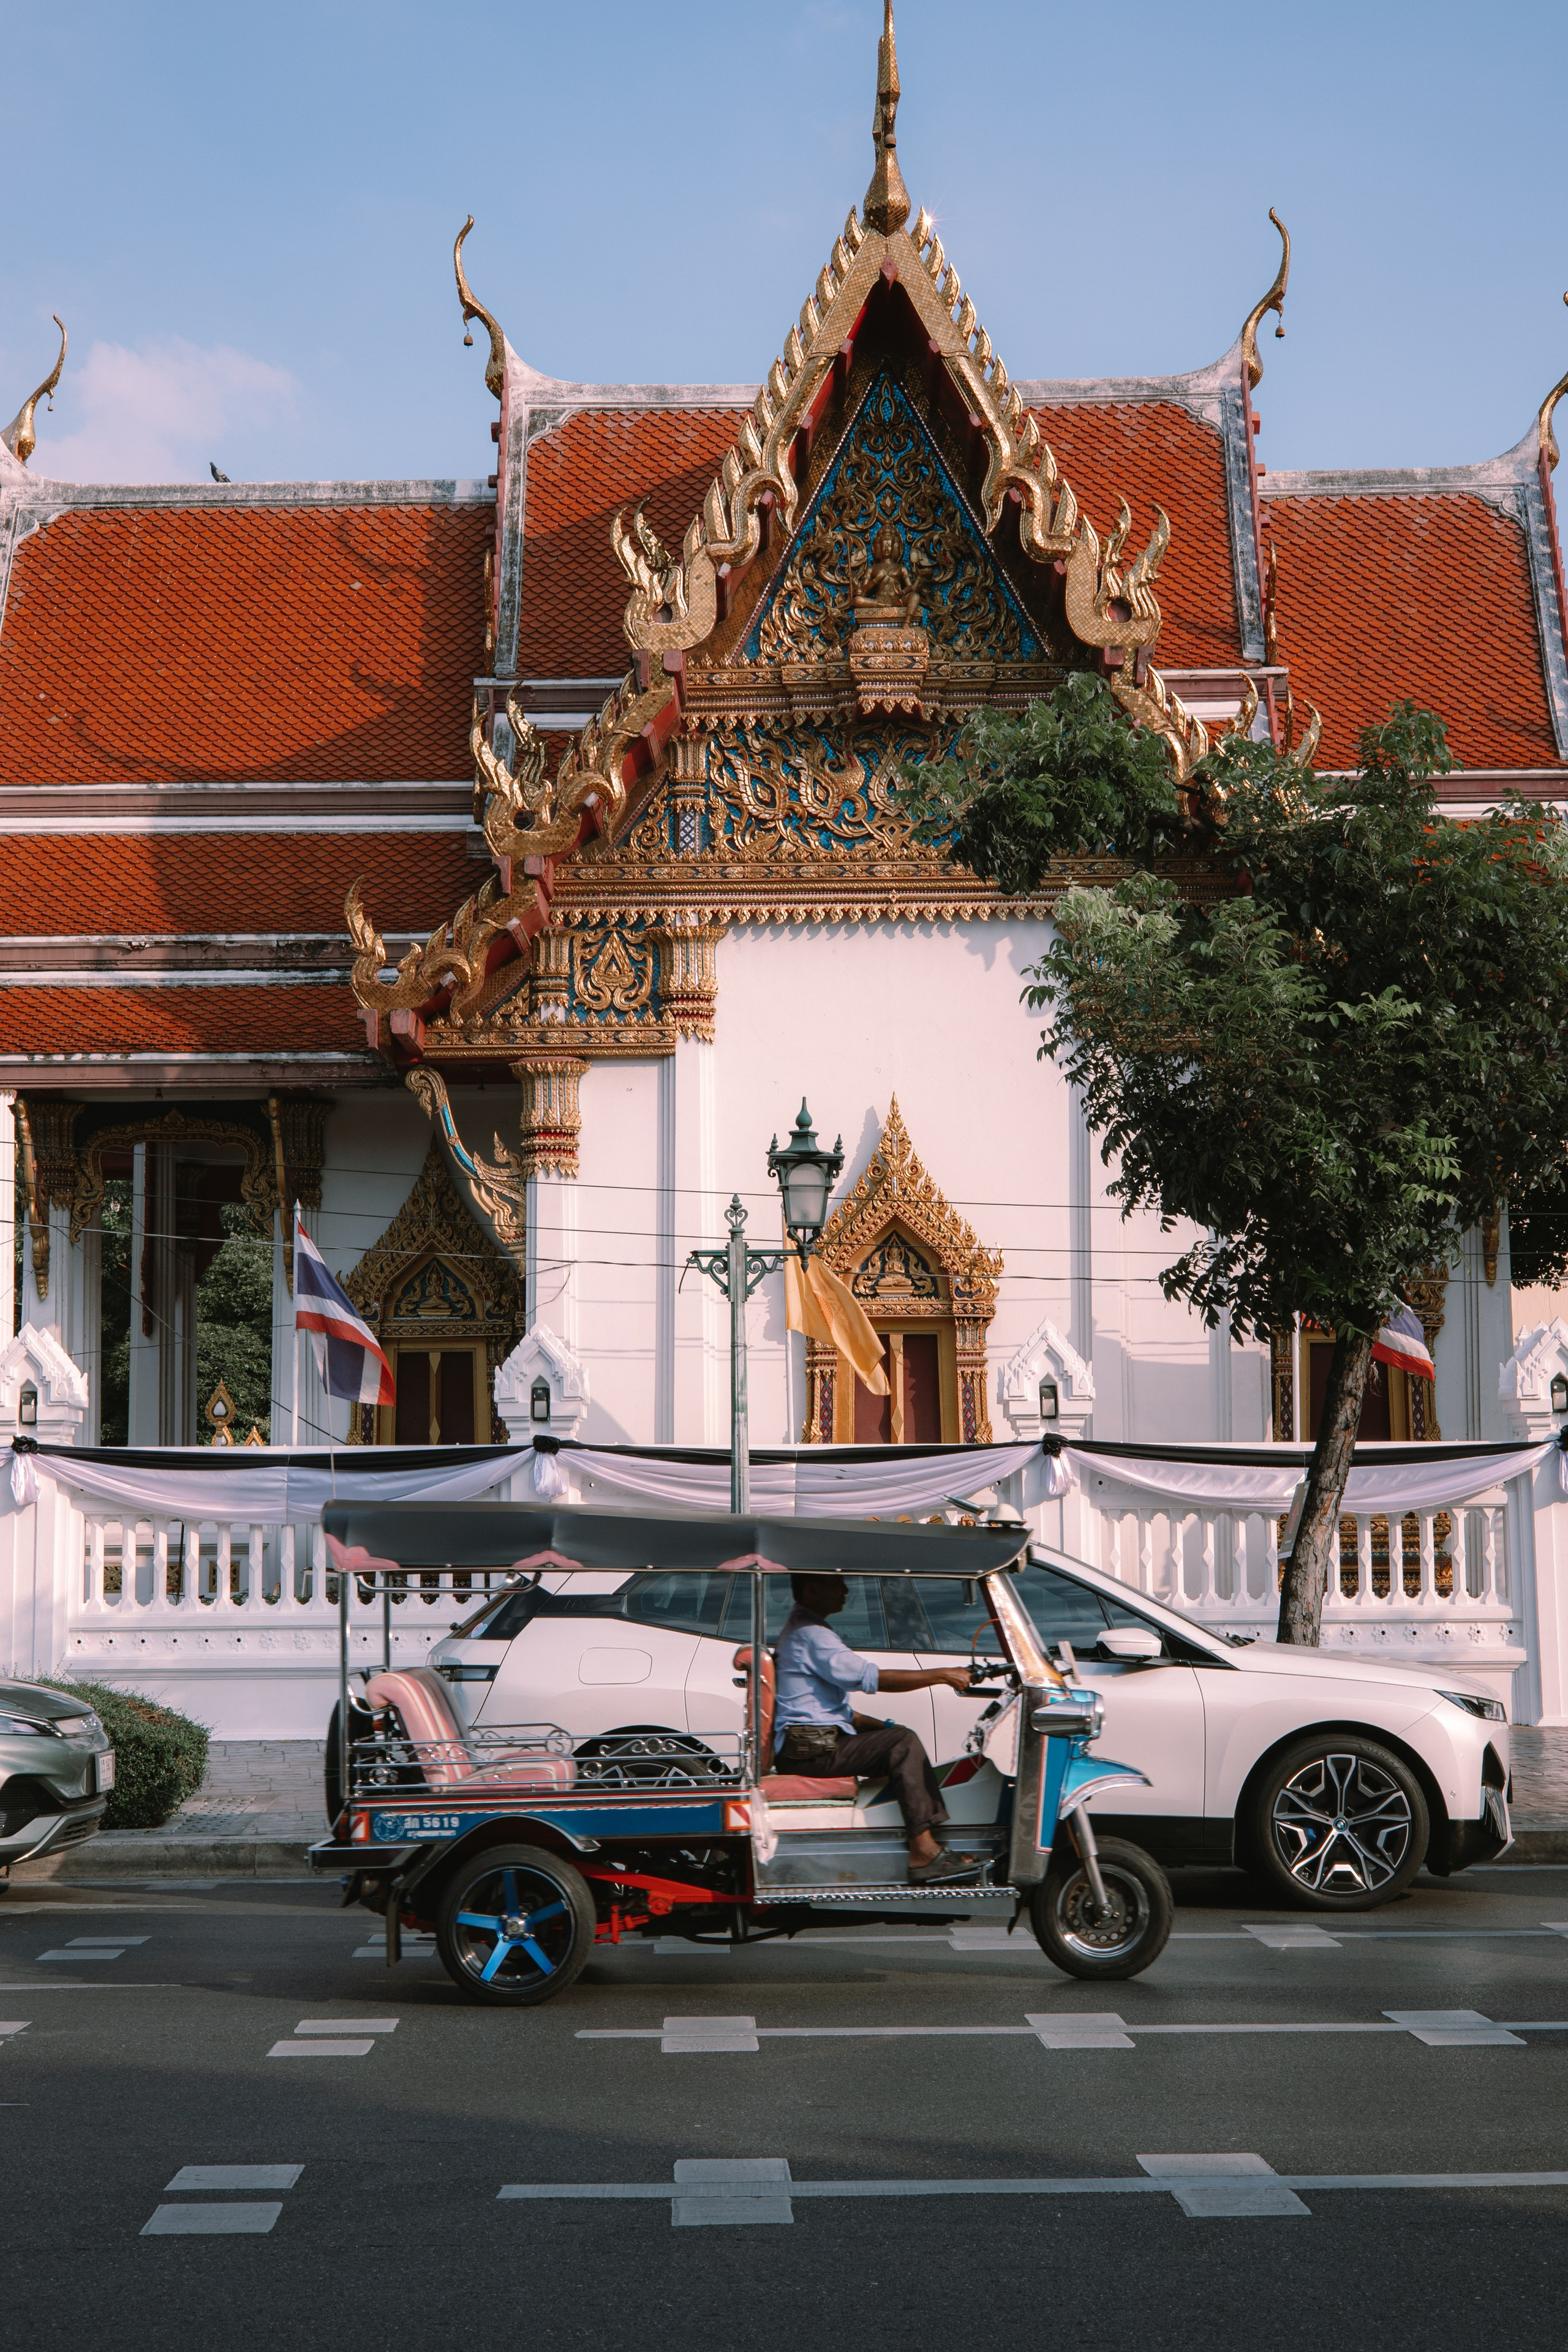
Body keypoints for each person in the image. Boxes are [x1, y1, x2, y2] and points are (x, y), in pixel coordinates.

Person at [772, 1572, 980, 1883]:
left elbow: (844, 1714)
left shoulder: (804, 1629)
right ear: (813, 1590)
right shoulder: (811, 1634)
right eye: (836, 1584)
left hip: (811, 1744)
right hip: (810, 1750)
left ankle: (919, 1835)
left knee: (898, 1736)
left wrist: (885, 1727)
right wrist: (942, 1675)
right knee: (902, 1743)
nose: (846, 1590)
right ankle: (923, 1850)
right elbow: (870, 1679)